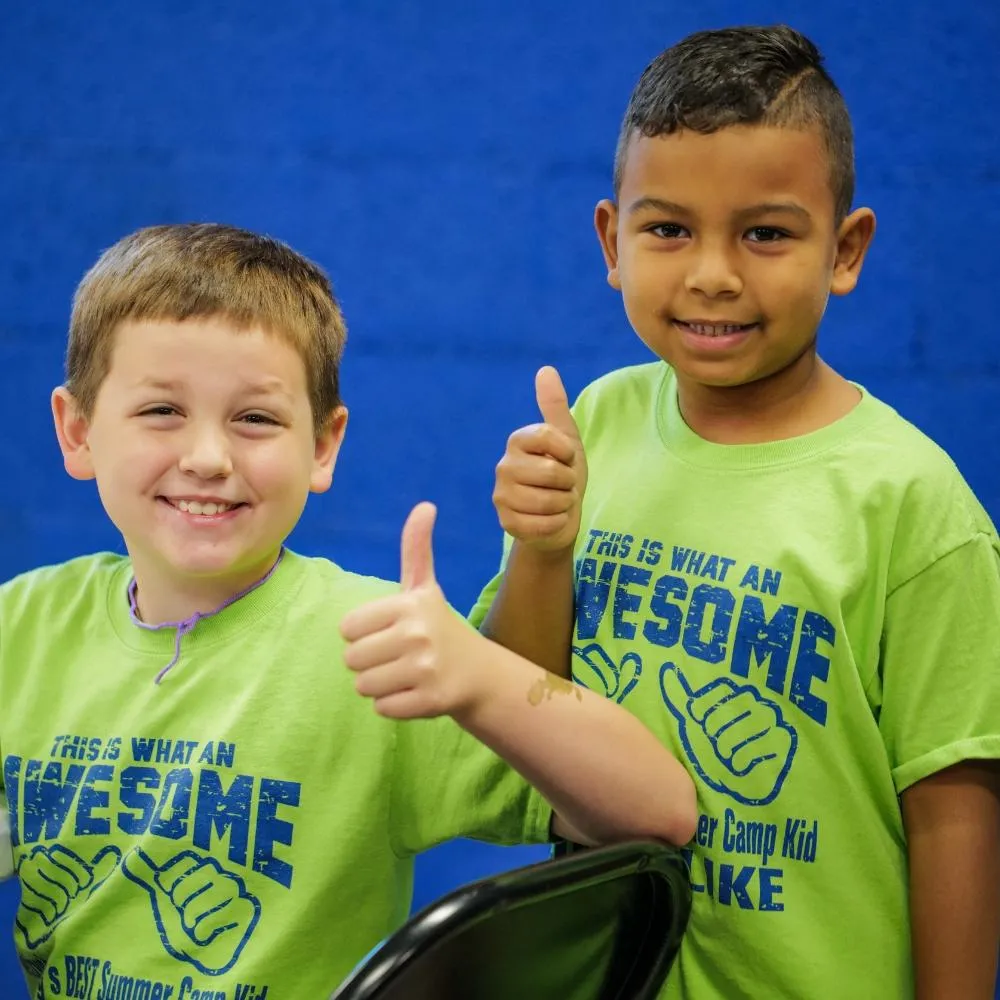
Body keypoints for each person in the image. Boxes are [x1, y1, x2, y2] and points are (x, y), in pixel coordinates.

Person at [0, 223, 696, 999]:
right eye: (161, 410)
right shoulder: (20, 627)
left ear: (323, 447)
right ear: (78, 430)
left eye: (255, 419)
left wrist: (478, 680)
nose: (207, 457)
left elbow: (659, 812)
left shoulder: (380, 644)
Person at [471, 24, 1000, 999]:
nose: (711, 273)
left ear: (844, 250)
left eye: (764, 233)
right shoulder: (601, 421)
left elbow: (955, 815)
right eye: (667, 229)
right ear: (611, 240)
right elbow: (515, 708)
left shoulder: (912, 502)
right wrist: (538, 552)